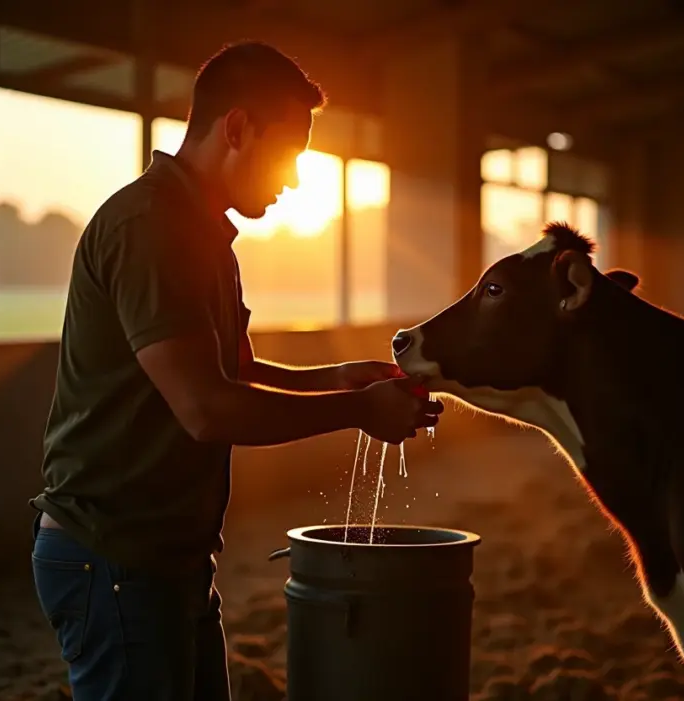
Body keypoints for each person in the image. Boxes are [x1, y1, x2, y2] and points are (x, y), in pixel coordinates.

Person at [28, 41, 443, 701]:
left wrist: (336, 378)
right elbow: (206, 408)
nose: (294, 180)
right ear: (238, 128)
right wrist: (359, 411)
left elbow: (234, 372)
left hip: (165, 558)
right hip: (114, 557)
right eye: (290, 154)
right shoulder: (151, 228)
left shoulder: (202, 235)